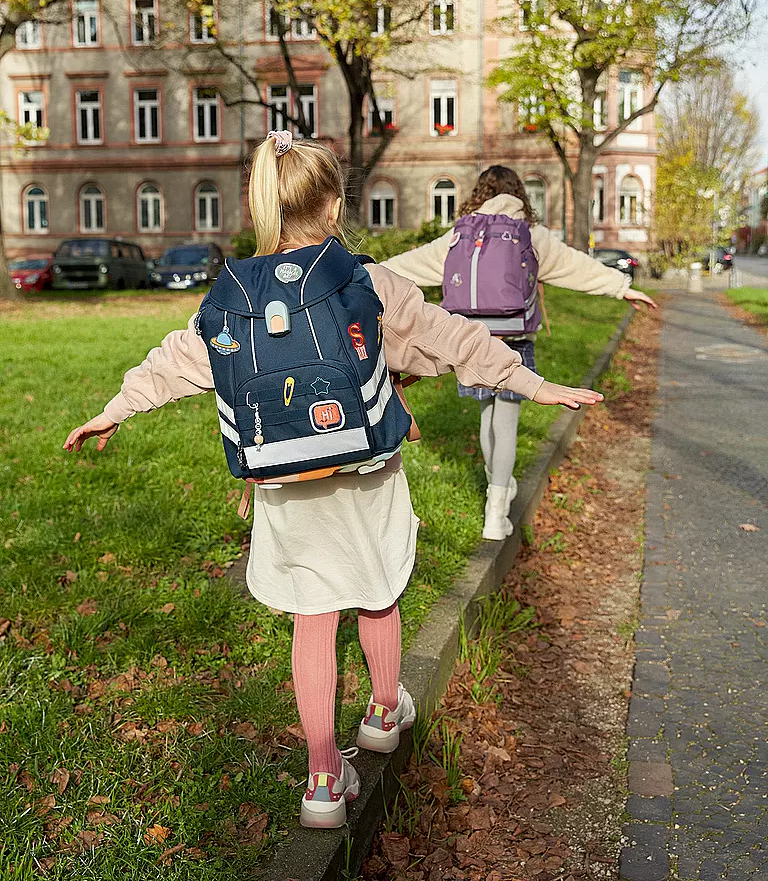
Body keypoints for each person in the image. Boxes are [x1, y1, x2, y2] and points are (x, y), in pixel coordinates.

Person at [64, 138, 604, 830]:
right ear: (337, 205)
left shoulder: (235, 296)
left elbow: (177, 360)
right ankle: (383, 712)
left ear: (263, 203)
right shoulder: (365, 281)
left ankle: (322, 779)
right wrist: (531, 381)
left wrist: (116, 408)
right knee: (378, 593)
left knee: (313, 619)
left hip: (283, 484)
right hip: (366, 471)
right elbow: (451, 339)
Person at [381, 164, 656, 541]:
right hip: (513, 337)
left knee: (486, 419)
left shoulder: (460, 234)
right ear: (517, 192)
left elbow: (409, 265)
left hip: (471, 340)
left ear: (480, 192)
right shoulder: (529, 232)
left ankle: (499, 485)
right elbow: (574, 266)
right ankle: (496, 512)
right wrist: (620, 287)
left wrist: (361, 275)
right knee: (506, 422)